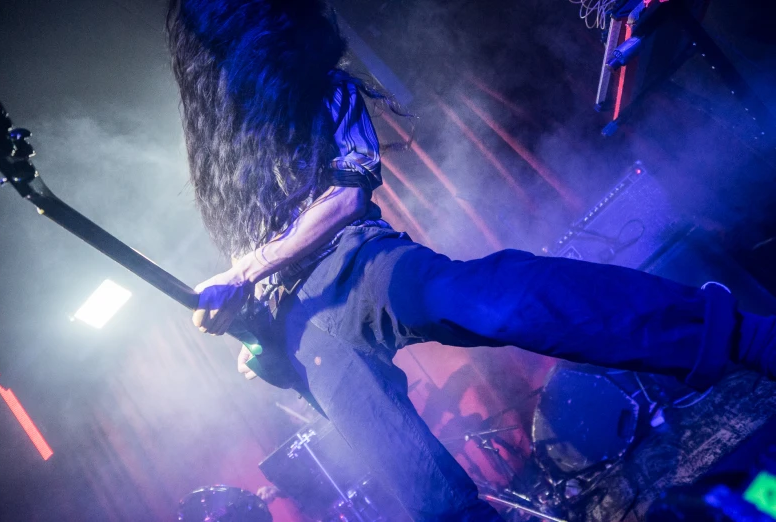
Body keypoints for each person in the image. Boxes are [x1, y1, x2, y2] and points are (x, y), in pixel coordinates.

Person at [166, 1, 776, 519]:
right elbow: (254, 307)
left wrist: (247, 268)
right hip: (304, 332)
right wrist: (251, 336)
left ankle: (747, 339)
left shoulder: (327, 90)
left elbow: (349, 194)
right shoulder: (225, 172)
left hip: (357, 266)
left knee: (502, 301)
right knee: (426, 496)